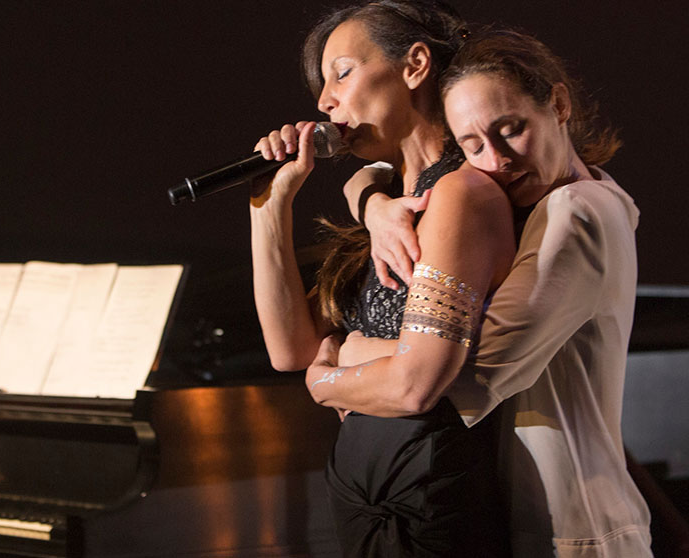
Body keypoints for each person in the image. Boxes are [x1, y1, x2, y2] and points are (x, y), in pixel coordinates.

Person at [310, 29, 653, 556]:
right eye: (472, 146)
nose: (495, 160)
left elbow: (469, 370)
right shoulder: (555, 202)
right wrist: (371, 200)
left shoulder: (577, 210)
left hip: (574, 527)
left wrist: (338, 367)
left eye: (511, 130)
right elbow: (380, 168)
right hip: (534, 516)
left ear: (558, 103)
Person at [249, 1, 513, 556]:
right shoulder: (385, 210)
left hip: (427, 490)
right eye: (323, 84)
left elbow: (414, 385)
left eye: (342, 73)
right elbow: (289, 348)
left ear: (415, 65)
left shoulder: (457, 195)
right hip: (364, 491)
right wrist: (270, 207)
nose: (324, 101)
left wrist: (328, 379)